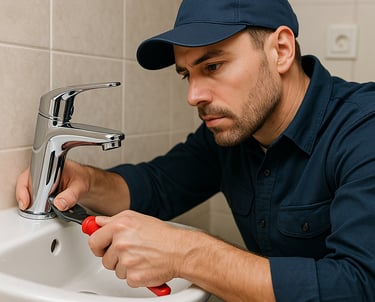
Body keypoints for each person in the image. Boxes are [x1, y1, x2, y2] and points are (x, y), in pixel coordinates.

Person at [16, 0, 375, 301]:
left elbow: (359, 285)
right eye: (187, 74)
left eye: (213, 66)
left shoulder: (364, 130)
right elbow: (156, 187)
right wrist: (85, 180)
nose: (193, 96)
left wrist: (188, 253)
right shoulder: (232, 132)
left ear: (280, 50)